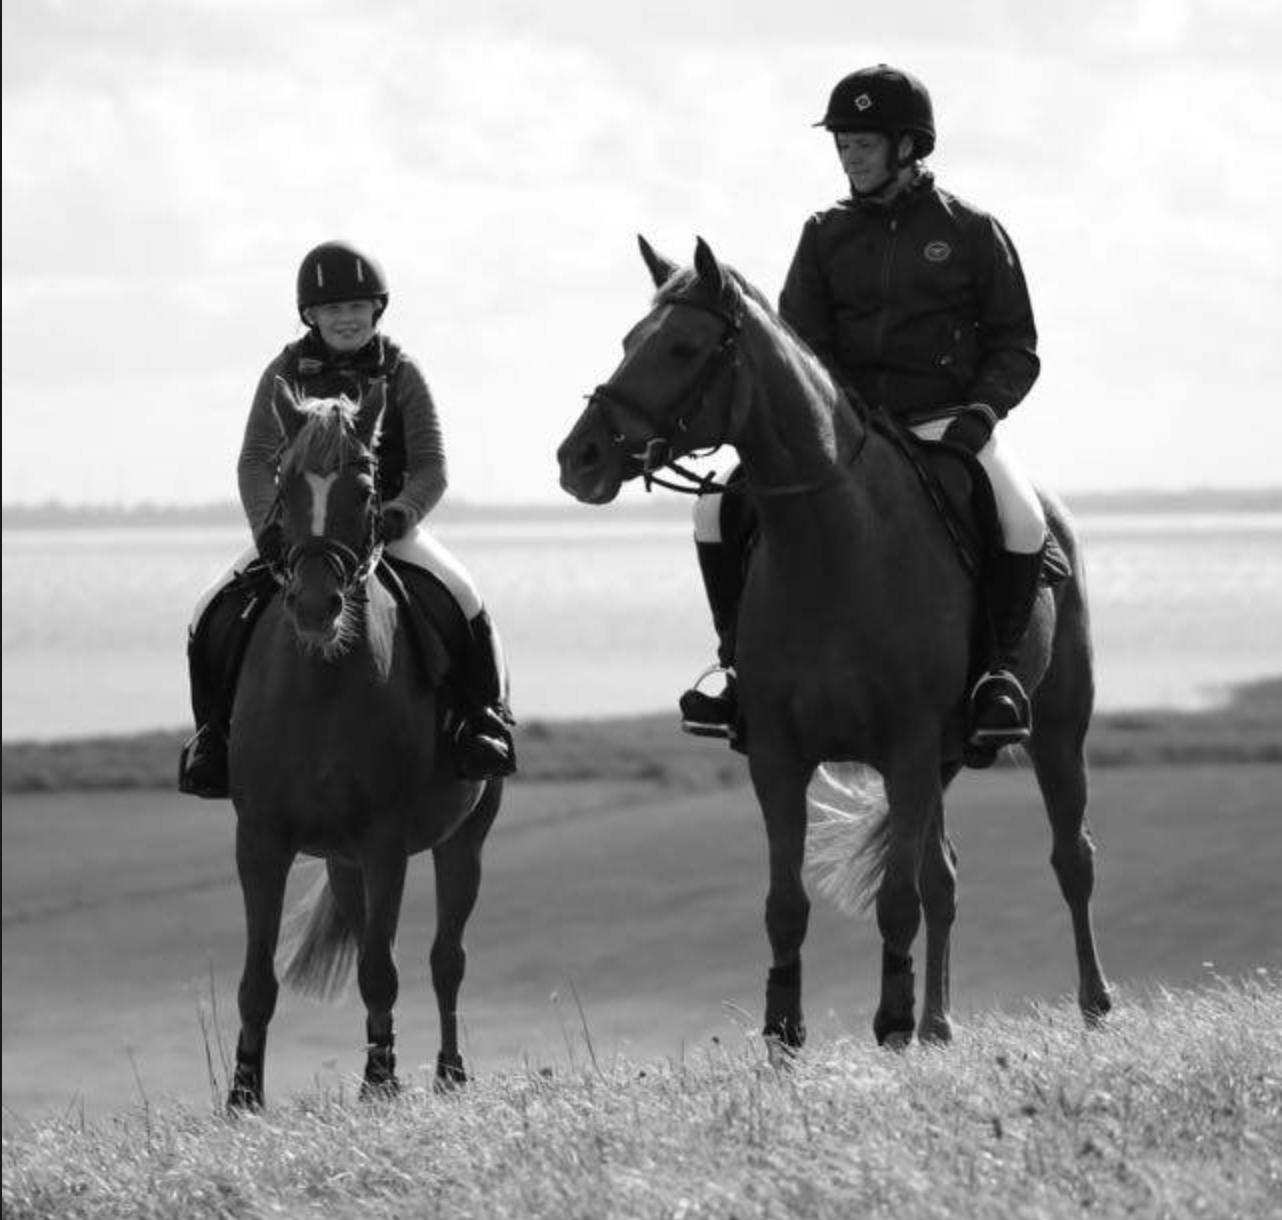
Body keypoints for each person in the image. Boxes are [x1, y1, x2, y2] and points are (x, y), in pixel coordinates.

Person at [679, 64, 1045, 752]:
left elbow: (1015, 346)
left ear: (908, 146)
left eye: (864, 144)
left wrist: (981, 415)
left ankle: (996, 674)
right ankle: (734, 667)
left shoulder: (971, 231)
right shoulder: (824, 233)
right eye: (843, 144)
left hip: (945, 421)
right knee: (713, 508)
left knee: (1022, 519)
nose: (850, 157)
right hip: (846, 430)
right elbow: (799, 346)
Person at [179, 240, 516, 797]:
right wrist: (268, 529)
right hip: (297, 533)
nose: (346, 318)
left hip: (382, 528)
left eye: (357, 306)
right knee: (207, 609)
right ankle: (212, 737)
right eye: (333, 308)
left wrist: (399, 515)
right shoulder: (283, 372)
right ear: (310, 315)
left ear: (377, 308)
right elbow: (255, 462)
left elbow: (431, 466)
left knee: (464, 597)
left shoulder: (402, 372)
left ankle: (483, 721)